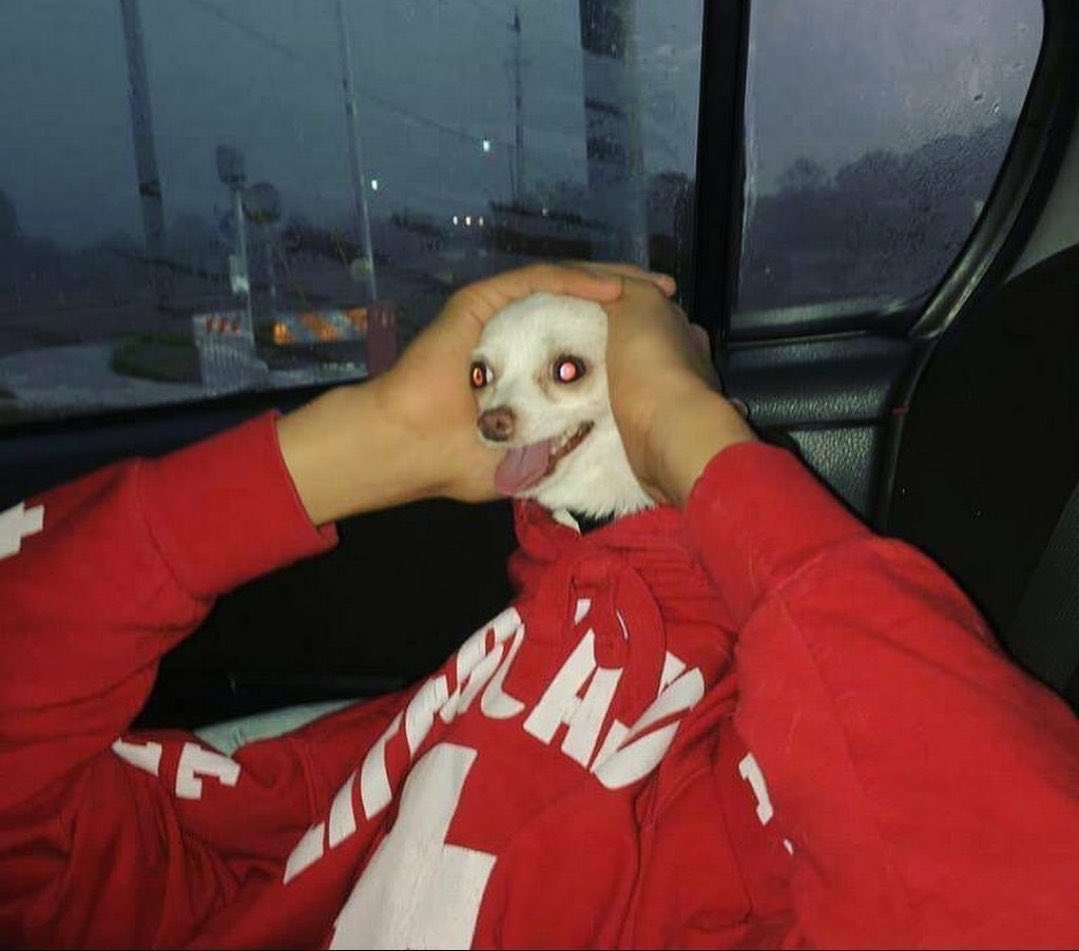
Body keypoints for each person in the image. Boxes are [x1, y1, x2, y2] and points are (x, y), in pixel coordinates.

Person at [0, 262, 1076, 950]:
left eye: (565, 371)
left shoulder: (744, 727)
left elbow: (998, 869)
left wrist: (683, 434)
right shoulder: (484, 679)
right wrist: (375, 438)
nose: (502, 412)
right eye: (487, 382)